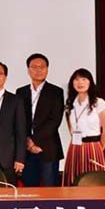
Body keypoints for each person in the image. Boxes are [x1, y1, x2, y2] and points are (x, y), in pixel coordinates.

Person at [16, 53, 65, 187]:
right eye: (34, 67)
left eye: (42, 67)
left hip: (48, 148)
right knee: (30, 190)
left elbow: (54, 121)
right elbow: (19, 120)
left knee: (50, 189)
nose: (38, 70)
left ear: (47, 69)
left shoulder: (56, 92)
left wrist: (33, 141)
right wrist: (27, 142)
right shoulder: (21, 92)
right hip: (26, 150)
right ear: (28, 70)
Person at [62, 68, 105, 186]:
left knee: (93, 182)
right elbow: (71, 129)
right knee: (73, 180)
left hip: (93, 147)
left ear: (90, 82)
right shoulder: (70, 105)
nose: (80, 82)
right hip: (74, 148)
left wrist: (99, 150)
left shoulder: (99, 103)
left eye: (84, 79)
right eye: (76, 79)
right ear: (72, 83)